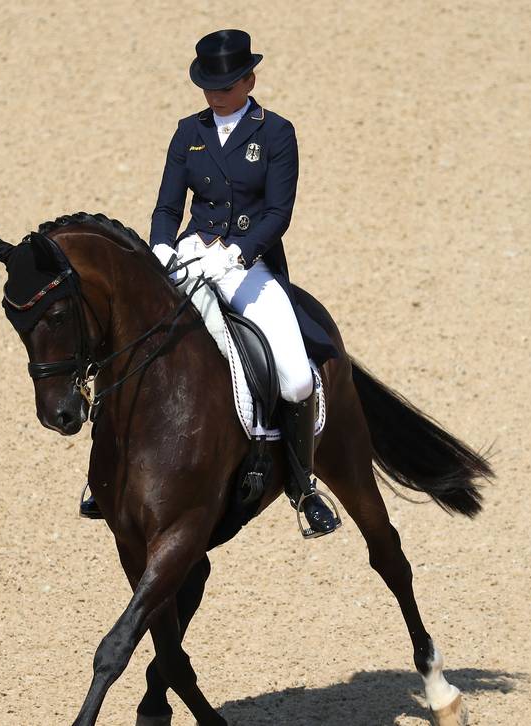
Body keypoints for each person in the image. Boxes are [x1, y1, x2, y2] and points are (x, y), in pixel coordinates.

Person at [81, 28, 340, 539]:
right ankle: (104, 472)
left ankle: (303, 487)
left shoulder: (276, 133)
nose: (215, 95)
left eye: (225, 85)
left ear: (249, 79)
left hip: (250, 264)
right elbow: (167, 206)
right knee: (132, 342)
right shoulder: (188, 132)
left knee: (296, 378)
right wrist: (160, 249)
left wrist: (238, 255)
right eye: (208, 85)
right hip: (191, 257)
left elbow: (278, 213)